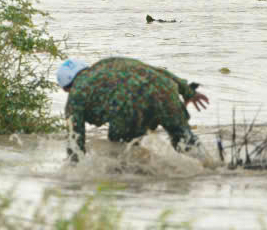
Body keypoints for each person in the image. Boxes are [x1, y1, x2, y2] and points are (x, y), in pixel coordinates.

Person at [57, 57, 210, 161]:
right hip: (164, 89)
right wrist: (188, 92)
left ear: (66, 89)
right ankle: (212, 166)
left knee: (121, 152)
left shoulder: (76, 95)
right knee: (185, 141)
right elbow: (157, 71)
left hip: (129, 105)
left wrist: (72, 170)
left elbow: (75, 141)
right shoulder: (109, 63)